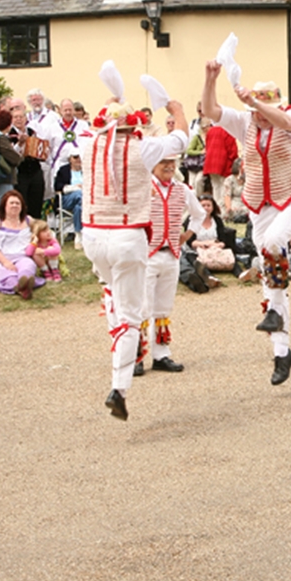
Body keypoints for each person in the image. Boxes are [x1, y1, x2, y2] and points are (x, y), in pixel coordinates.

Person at [202, 63, 291, 387]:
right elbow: (210, 110)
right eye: (256, 113)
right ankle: (282, 353)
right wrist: (211, 79)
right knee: (267, 265)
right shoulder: (246, 121)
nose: (259, 117)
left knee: (274, 243)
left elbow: (284, 121)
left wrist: (256, 103)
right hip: (259, 202)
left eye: (264, 111)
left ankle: (276, 312)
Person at [82, 97, 188, 421]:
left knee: (113, 291)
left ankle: (115, 325)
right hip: (127, 235)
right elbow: (182, 136)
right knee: (132, 315)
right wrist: (178, 111)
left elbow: (95, 128)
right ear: (134, 126)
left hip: (93, 234)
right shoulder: (144, 147)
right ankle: (119, 387)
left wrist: (112, 102)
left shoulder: (88, 144)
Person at [138, 152, 204, 376]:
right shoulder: (143, 187)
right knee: (142, 307)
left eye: (171, 162)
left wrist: (187, 235)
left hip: (172, 253)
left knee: (163, 306)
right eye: (163, 162)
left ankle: (161, 354)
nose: (168, 166)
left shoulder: (182, 189)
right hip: (148, 254)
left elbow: (199, 213)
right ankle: (136, 355)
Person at [0, 190, 44, 299]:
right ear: (4, 206)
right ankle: (20, 287)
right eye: (11, 203)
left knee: (28, 266)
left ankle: (25, 282)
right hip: (0, 259)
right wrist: (5, 262)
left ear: (22, 206)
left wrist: (38, 241)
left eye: (17, 203)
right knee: (8, 274)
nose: (15, 205)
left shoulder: (28, 220)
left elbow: (44, 231)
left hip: (21, 257)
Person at [202, 118, 238, 211]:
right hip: (223, 164)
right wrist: (234, 162)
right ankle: (222, 210)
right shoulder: (228, 131)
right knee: (224, 188)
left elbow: (207, 147)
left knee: (215, 188)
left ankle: (215, 209)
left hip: (210, 163)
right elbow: (232, 151)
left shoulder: (210, 131)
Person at [53, 153, 84, 249]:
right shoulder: (64, 170)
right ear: (70, 159)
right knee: (79, 194)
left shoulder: (87, 170)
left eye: (80, 157)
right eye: (75, 157)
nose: (78, 159)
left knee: (79, 208)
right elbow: (58, 187)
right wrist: (74, 188)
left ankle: (78, 235)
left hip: (83, 201)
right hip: (66, 199)